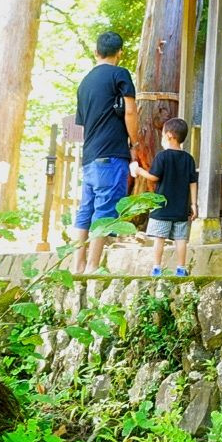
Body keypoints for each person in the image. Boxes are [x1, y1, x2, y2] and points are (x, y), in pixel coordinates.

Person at [74, 31, 137, 274]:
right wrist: (135, 142)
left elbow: (82, 124)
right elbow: (130, 111)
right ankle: (92, 267)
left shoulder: (84, 83)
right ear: (119, 52)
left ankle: (77, 266)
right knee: (105, 209)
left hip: (89, 156)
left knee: (85, 210)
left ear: (96, 52)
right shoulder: (119, 74)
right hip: (111, 154)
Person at [130, 117, 198, 277]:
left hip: (162, 207)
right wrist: (194, 204)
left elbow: (154, 177)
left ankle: (156, 268)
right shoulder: (189, 159)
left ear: (169, 135)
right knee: (181, 239)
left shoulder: (162, 156)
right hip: (181, 208)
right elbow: (193, 182)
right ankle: (181, 269)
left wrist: (139, 171)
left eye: (162, 135)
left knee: (159, 238)